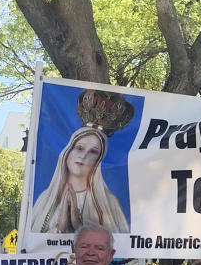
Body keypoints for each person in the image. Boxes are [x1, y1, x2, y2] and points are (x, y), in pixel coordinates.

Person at [29, 90, 133, 235]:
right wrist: (61, 225)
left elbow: (117, 247)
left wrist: (78, 225)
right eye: (79, 148)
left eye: (93, 152)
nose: (83, 156)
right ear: (68, 151)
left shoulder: (110, 203)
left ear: (98, 160)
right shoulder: (45, 199)